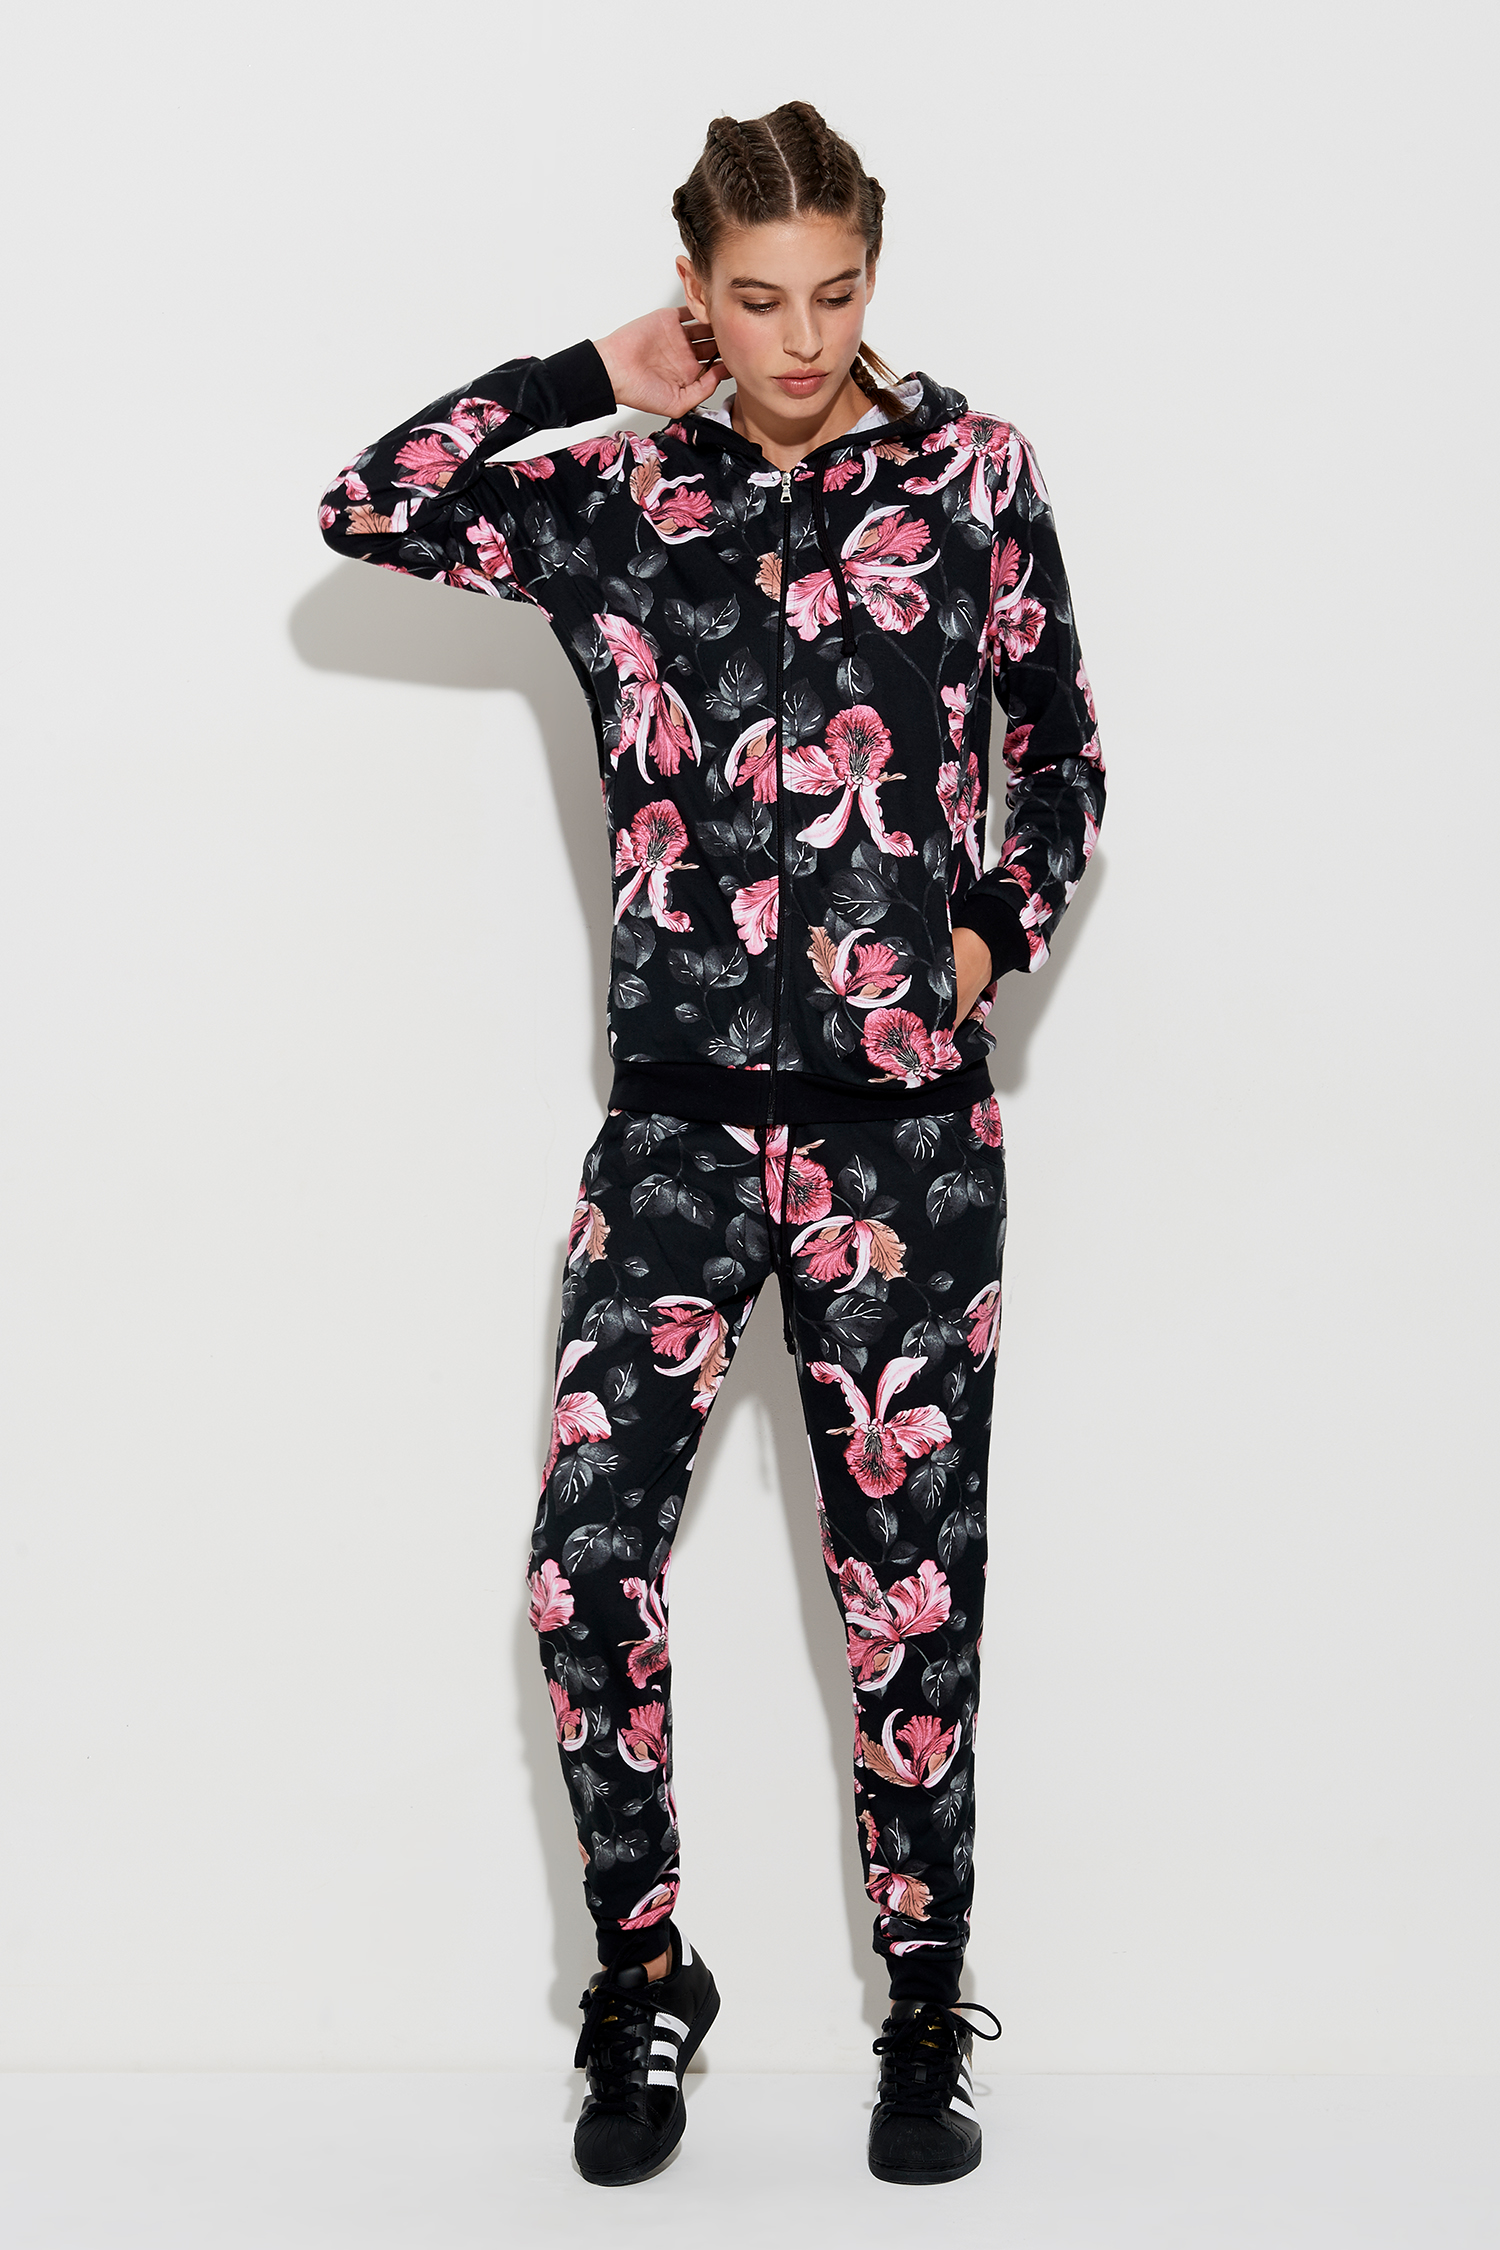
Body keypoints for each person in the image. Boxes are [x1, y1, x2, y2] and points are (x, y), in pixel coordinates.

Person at [318, 99, 1104, 2189]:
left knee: (905, 1600)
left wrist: (978, 941)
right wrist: (589, 375)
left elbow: (1061, 764)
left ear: (874, 276)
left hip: (905, 1148)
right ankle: (646, 1975)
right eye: (757, 299)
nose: (802, 337)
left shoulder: (973, 473)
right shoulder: (616, 500)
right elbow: (368, 504)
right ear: (697, 290)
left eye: (837, 292)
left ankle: (925, 2000)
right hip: (671, 1133)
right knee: (585, 1580)